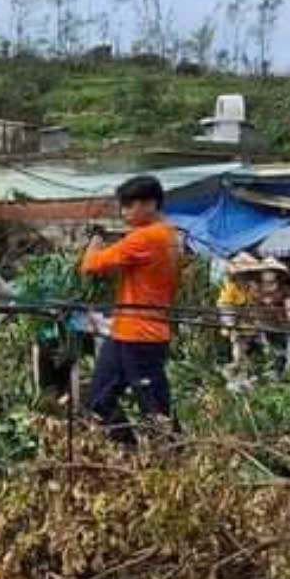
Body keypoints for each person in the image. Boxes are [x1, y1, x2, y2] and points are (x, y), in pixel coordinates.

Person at [78, 175, 183, 443]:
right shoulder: (167, 234)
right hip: (126, 331)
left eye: (129, 206)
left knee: (155, 410)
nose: (124, 213)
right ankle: (128, 454)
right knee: (98, 399)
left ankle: (172, 463)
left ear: (150, 204)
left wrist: (96, 239)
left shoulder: (146, 238)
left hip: (142, 335)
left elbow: (91, 266)